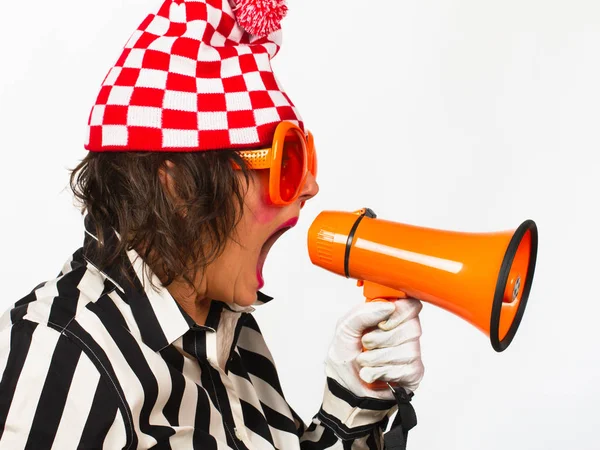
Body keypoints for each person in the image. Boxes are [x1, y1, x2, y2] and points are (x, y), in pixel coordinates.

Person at [0, 0, 424, 448]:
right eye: (287, 161)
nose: (310, 186)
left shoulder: (228, 330)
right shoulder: (65, 358)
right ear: (181, 188)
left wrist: (356, 399)